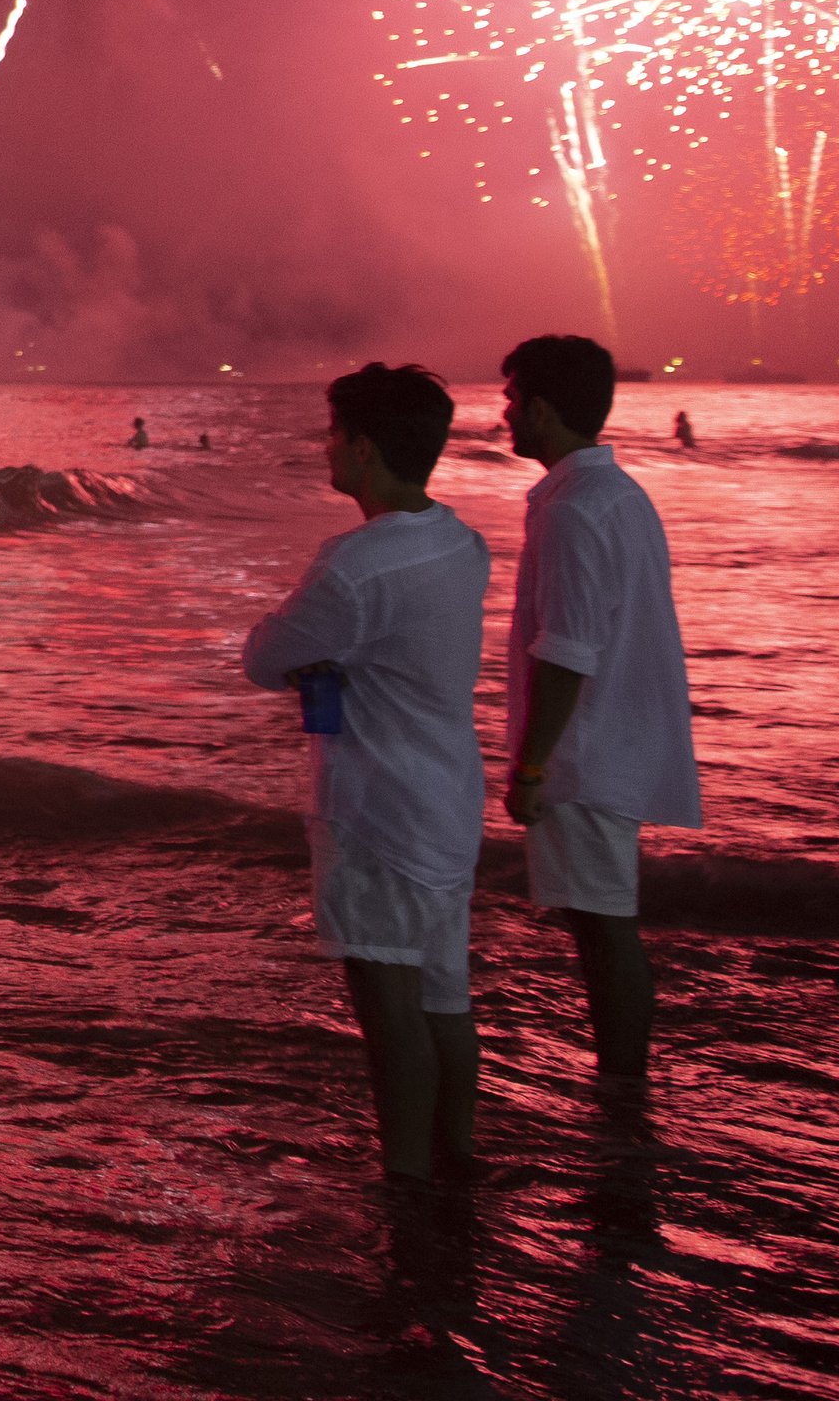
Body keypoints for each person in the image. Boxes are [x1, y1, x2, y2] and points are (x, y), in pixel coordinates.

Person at [241, 363, 491, 1182]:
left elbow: (265, 657)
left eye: (335, 432)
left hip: (378, 814)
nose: (327, 446)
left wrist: (307, 655)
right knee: (446, 1002)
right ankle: (457, 1159)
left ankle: (410, 1186)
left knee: (390, 1016)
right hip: (449, 804)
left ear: (366, 448)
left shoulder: (354, 567)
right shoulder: (462, 541)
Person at [500, 334, 703, 1094]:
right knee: (601, 921)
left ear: (544, 410)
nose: (506, 414)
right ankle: (623, 1080)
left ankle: (623, 1089)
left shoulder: (575, 509)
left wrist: (531, 764)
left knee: (602, 926)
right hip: (620, 735)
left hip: (588, 749)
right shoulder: (617, 495)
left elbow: (566, 652)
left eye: (514, 400)